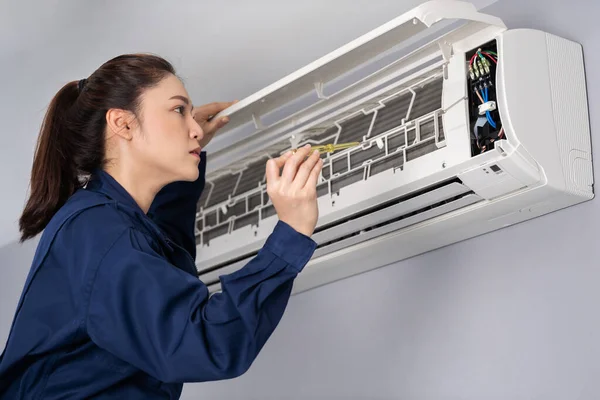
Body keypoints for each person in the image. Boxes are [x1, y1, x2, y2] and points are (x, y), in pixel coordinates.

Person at [0, 53, 323, 399]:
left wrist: (187, 150)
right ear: (123, 124)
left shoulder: (110, 222)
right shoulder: (98, 231)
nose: (196, 128)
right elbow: (205, 341)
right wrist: (290, 233)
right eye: (178, 110)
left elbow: (166, 249)